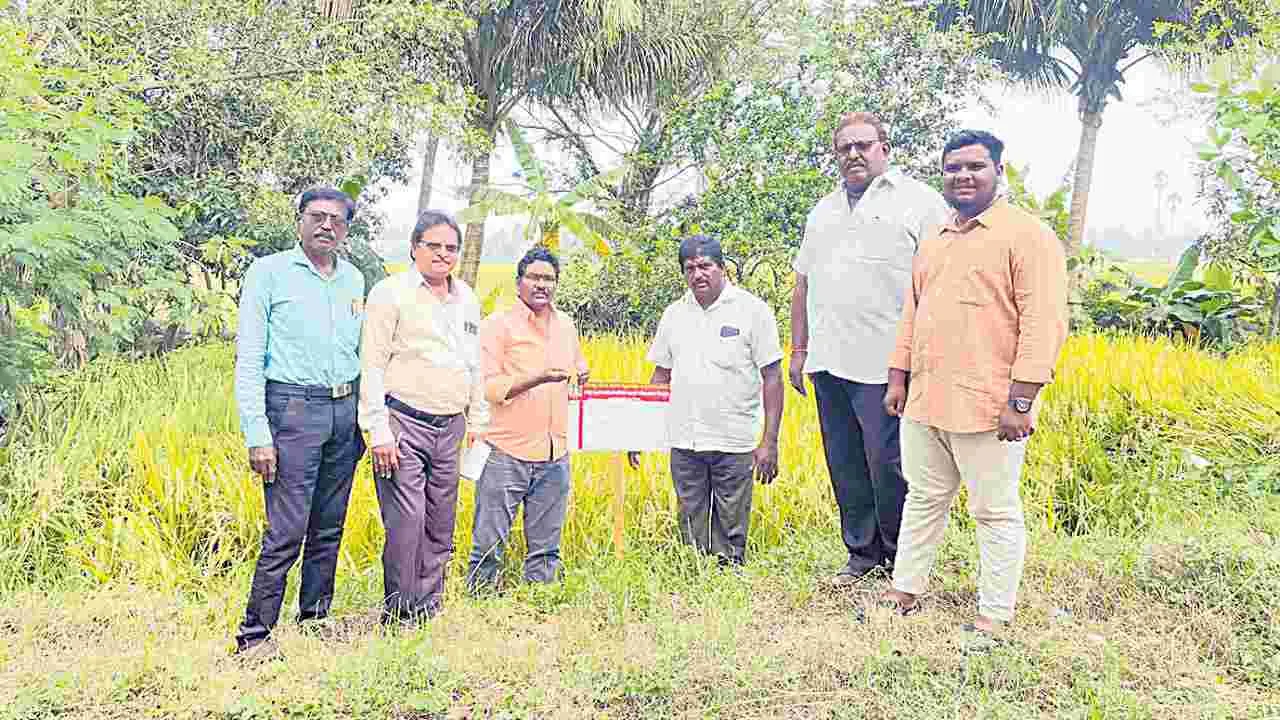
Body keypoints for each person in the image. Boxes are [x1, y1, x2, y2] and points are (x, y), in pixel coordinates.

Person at [880, 130, 1069, 643]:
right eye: (953, 168)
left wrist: (1021, 400)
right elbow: (912, 314)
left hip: (990, 407)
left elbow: (1043, 324)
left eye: (975, 167)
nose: (962, 176)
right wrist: (898, 378)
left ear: (998, 172)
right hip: (925, 402)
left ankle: (994, 614)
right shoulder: (936, 239)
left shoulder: (1027, 236)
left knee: (994, 511)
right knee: (923, 498)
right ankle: (906, 589)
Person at [790, 111, 951, 584]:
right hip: (828, 362)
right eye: (845, 148)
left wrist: (919, 359)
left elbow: (937, 283)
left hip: (887, 367)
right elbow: (803, 283)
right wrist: (799, 351)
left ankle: (904, 560)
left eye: (864, 145)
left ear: (885, 148)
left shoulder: (919, 203)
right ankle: (861, 556)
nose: (854, 154)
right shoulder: (823, 211)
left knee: (890, 466)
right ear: (836, 156)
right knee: (845, 464)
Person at [233, 187, 366, 657]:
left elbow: (360, 353)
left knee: (329, 524)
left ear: (346, 230)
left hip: (343, 411)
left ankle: (314, 617)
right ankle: (255, 634)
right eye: (318, 216)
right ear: (300, 221)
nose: (327, 226)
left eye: (337, 220)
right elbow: (249, 358)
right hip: (291, 410)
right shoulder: (269, 273)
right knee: (287, 528)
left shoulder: (353, 280)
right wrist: (257, 433)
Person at [358, 210, 488, 623]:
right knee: (406, 521)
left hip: (451, 426)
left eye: (451, 248)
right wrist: (378, 430)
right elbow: (373, 364)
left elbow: (475, 365)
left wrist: (478, 421)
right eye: (434, 246)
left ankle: (426, 609)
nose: (443, 254)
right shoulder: (390, 293)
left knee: (439, 522)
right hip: (402, 424)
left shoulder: (467, 298)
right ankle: (398, 612)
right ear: (414, 248)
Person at [629, 235, 784, 565]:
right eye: (690, 268)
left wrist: (769, 441)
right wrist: (639, 430)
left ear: (722, 269)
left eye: (705, 266)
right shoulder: (673, 315)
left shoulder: (753, 311)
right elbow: (661, 376)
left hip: (734, 439)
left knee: (731, 528)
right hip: (685, 439)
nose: (698, 274)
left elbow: (772, 377)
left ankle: (728, 582)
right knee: (690, 520)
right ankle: (696, 578)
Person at [466, 246, 589, 592]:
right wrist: (536, 378)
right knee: (488, 542)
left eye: (549, 279)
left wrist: (582, 374)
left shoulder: (566, 325)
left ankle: (539, 601)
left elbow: (576, 368)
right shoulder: (497, 326)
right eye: (534, 277)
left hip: (554, 453)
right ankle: (480, 605)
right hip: (506, 452)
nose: (541, 285)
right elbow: (487, 388)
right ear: (518, 282)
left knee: (546, 547)